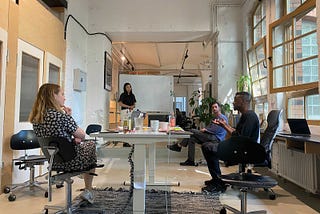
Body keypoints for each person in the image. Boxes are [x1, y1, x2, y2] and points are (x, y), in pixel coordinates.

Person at [29, 83, 98, 204]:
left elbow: (56, 139)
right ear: (53, 96)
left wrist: (71, 139)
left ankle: (85, 175)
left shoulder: (36, 119)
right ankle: (88, 189)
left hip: (54, 162)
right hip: (70, 160)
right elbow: (82, 135)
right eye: (62, 94)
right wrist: (69, 117)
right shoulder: (61, 116)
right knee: (91, 144)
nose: (64, 97)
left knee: (80, 145)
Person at [201, 91, 260, 193]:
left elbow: (241, 138)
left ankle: (219, 183)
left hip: (244, 150)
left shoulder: (249, 116)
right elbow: (237, 133)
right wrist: (224, 125)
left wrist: (225, 127)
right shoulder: (245, 115)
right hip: (241, 147)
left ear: (242, 102)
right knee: (207, 145)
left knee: (208, 147)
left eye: (235, 101)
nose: (233, 103)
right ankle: (216, 179)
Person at [167, 102, 228, 166]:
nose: (214, 109)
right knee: (192, 139)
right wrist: (205, 129)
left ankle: (179, 146)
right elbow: (210, 127)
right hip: (210, 135)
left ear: (219, 108)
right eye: (213, 107)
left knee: (191, 130)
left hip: (216, 137)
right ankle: (190, 161)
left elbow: (217, 130)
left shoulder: (222, 118)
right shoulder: (214, 118)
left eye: (215, 107)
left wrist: (206, 130)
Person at [118, 82, 136, 147]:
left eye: (130, 87)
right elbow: (120, 103)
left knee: (131, 126)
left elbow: (134, 105)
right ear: (125, 88)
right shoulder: (123, 95)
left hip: (131, 112)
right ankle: (125, 142)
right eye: (127, 87)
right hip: (124, 111)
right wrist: (128, 106)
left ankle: (130, 141)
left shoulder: (132, 95)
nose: (129, 88)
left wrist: (132, 107)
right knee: (125, 127)